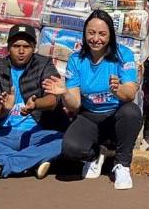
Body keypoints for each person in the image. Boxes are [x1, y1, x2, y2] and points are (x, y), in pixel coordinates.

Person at [43, 10, 143, 190]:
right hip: (90, 115)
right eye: (91, 33)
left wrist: (118, 89)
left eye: (102, 34)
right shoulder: (76, 59)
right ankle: (95, 154)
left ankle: (122, 165)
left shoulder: (123, 54)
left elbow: (130, 94)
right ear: (84, 34)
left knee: (132, 112)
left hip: (116, 115)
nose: (96, 39)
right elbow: (75, 104)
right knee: (71, 149)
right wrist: (64, 93)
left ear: (110, 35)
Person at [0, 25, 66, 185]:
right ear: (8, 47)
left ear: (34, 48)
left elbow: (54, 99)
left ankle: (2, 165)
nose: (21, 51)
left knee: (64, 142)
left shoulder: (44, 64)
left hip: (35, 134)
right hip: (2, 134)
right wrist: (3, 109)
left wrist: (36, 104)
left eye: (26, 47)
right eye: (16, 46)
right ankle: (32, 161)